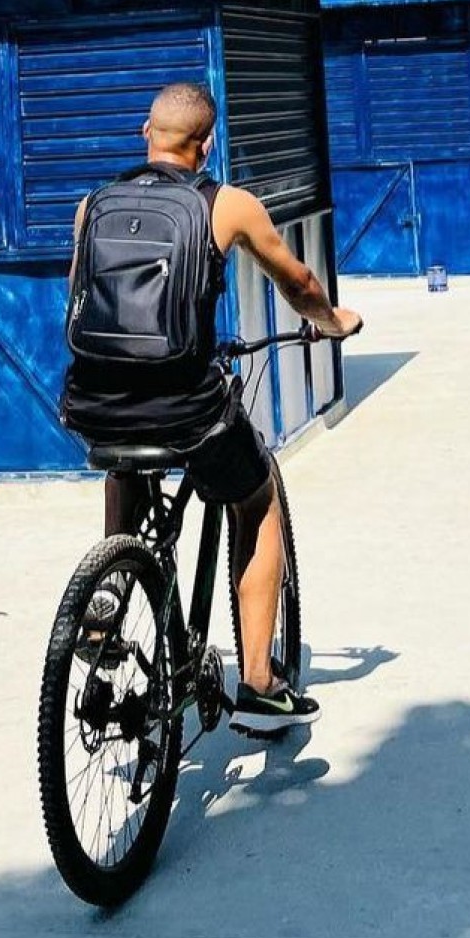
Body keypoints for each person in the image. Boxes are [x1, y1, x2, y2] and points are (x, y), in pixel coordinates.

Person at [61, 82, 362, 737]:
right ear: (207, 144)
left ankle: (109, 584)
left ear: (147, 130)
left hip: (94, 401)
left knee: (125, 457)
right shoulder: (225, 204)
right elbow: (298, 281)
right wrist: (332, 320)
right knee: (256, 498)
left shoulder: (93, 205)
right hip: (185, 408)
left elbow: (77, 304)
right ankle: (258, 680)